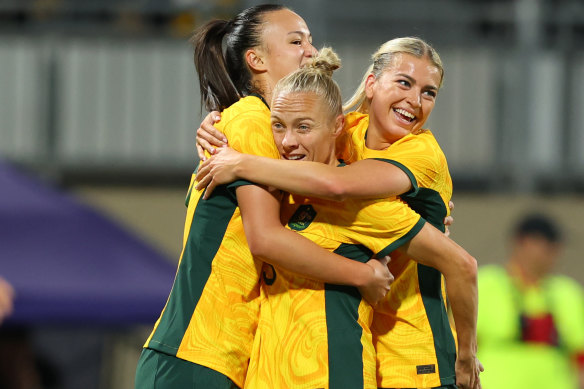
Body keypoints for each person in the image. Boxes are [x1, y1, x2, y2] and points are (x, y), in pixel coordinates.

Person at [195, 37, 483, 389]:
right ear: (371, 84)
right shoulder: (348, 132)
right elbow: (300, 125)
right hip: (368, 345)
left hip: (414, 354)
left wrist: (466, 352)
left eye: (429, 92)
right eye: (404, 83)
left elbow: (337, 185)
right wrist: (220, 125)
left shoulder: (420, 153)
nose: (415, 100)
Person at [135, 6, 396, 389]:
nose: (311, 50)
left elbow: (340, 180)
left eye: (309, 39)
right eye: (295, 41)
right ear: (256, 60)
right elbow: (265, 237)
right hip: (195, 352)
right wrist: (364, 275)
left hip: (226, 358)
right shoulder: (252, 120)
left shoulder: (268, 130)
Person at [477, 213, 584, 389]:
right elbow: (459, 346)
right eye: (547, 245)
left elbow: (580, 358)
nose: (554, 253)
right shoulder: (486, 284)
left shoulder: (568, 293)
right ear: (521, 243)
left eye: (556, 247)